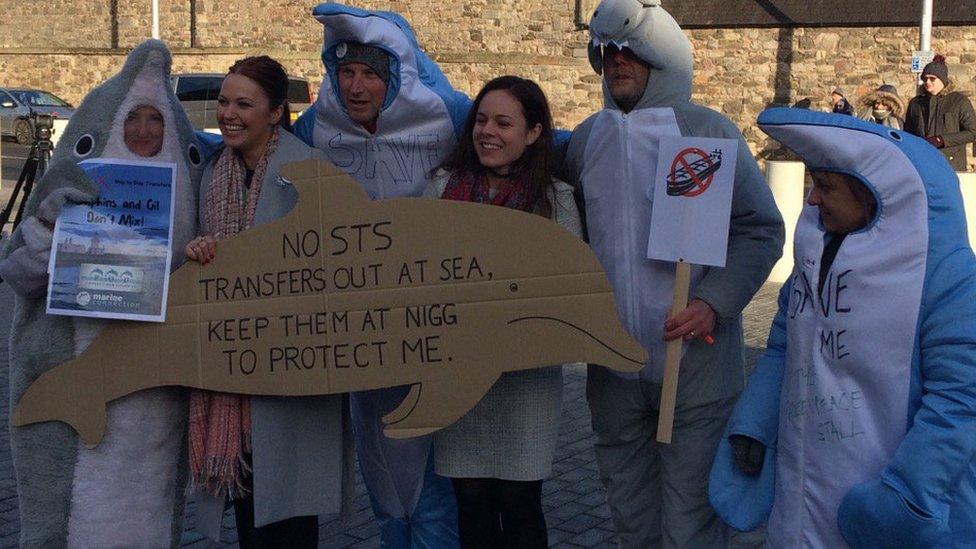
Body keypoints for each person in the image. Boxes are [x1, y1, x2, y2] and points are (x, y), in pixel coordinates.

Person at [560, 2, 784, 547]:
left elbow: (760, 228)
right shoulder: (587, 140)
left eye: (630, 51)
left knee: (690, 524)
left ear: (659, 56)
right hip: (614, 370)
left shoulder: (707, 130)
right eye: (608, 53)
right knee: (630, 518)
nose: (618, 63)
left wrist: (713, 301)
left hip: (697, 366)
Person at [709, 108, 976, 547]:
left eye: (826, 186)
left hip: (884, 513)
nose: (812, 198)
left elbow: (961, 397)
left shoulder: (947, 277)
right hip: (799, 503)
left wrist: (905, 497)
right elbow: (782, 348)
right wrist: (754, 422)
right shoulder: (814, 258)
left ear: (874, 192)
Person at [0, 39, 203, 547]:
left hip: (155, 386)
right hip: (76, 365)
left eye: (155, 120)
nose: (142, 131)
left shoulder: (193, 184)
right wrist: (52, 234)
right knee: (69, 505)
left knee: (149, 504)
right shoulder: (70, 181)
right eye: (132, 118)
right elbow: (20, 273)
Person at [294, 4, 469, 547]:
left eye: (371, 72)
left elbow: (519, 138)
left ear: (397, 73)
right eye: (346, 71)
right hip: (361, 331)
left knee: (431, 462)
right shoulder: (318, 123)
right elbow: (255, 150)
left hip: (433, 324)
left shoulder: (447, 112)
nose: (356, 85)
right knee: (382, 460)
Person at [183, 56, 353, 548]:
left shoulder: (310, 171)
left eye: (243, 104)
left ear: (276, 112)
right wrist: (197, 253)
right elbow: (202, 264)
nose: (228, 114)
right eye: (223, 101)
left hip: (290, 379)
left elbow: (339, 267)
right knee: (249, 521)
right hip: (231, 376)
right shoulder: (214, 173)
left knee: (290, 522)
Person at [421, 75, 581, 549]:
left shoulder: (555, 200)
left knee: (520, 504)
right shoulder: (442, 187)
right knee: (469, 504)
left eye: (504, 122)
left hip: (523, 383)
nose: (488, 131)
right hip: (458, 380)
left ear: (533, 133)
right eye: (482, 120)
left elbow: (569, 288)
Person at [904, 55, 976, 171]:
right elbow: (908, 134)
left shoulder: (958, 101)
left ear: (942, 80)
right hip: (923, 164)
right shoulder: (916, 103)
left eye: (932, 79)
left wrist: (941, 140)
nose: (928, 82)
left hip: (951, 165)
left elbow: (972, 132)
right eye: (925, 78)